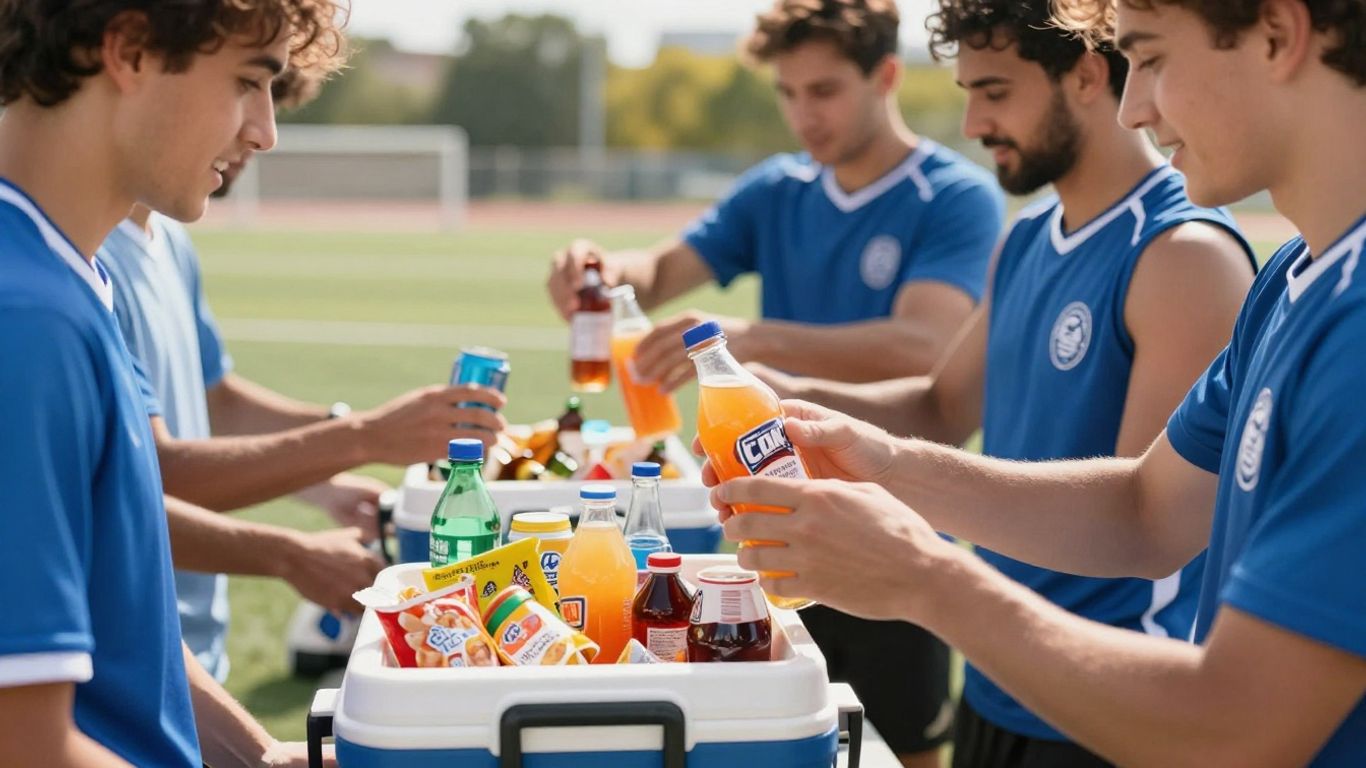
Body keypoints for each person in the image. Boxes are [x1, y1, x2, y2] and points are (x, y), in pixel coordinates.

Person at [708, 0, 1366, 764]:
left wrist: (926, 578)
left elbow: (1242, 724)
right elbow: (1145, 510)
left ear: (1279, 36)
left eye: (1150, 58)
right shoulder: (1293, 276)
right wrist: (881, 463)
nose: (1134, 105)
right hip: (1019, 688)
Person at [0, 1, 352, 765]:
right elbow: (27, 747)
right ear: (129, 51)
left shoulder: (73, 280)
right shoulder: (27, 319)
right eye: (247, 82)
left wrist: (262, 756)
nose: (265, 129)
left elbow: (127, 626)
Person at [96, 61, 504, 681]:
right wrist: (361, 441)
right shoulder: (81, 258)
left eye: (274, 97)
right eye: (244, 86)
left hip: (186, 656)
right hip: (120, 655)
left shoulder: (170, 239)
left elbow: (216, 402)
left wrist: (329, 472)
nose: (263, 133)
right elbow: (146, 479)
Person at [548, 0, 1005, 393]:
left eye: (823, 91)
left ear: (885, 76)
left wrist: (754, 339)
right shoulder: (776, 189)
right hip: (779, 473)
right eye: (788, 93)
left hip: (894, 486)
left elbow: (925, 346)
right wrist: (599, 272)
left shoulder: (956, 197)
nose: (802, 115)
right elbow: (657, 276)